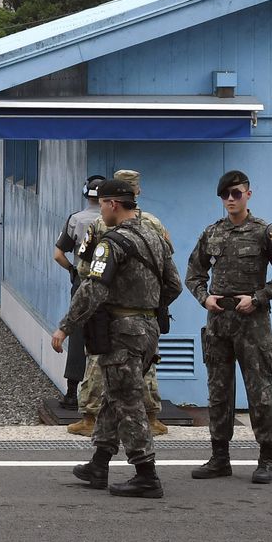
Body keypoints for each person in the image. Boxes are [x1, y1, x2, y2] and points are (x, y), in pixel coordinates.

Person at [51, 178, 182, 498]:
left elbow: (92, 289)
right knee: (114, 393)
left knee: (127, 400)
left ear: (112, 204)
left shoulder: (111, 243)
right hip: (148, 329)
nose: (100, 210)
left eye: (103, 204)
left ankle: (146, 474)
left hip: (123, 330)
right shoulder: (155, 236)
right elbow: (175, 285)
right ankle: (99, 463)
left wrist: (66, 326)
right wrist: (147, 306)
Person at [185, 170, 272, 484]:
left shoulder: (265, 232)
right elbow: (193, 273)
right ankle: (220, 458)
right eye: (225, 195)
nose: (230, 200)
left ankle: (267, 460)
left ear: (249, 193)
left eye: (236, 193)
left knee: (260, 393)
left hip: (252, 323)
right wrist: (204, 298)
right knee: (218, 393)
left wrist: (258, 298)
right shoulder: (212, 233)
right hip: (219, 322)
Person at [65, 169, 170, 438]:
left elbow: (86, 268)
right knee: (145, 366)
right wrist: (154, 301)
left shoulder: (101, 225)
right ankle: (150, 417)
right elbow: (169, 273)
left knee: (100, 363)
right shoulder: (154, 224)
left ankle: (92, 418)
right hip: (148, 312)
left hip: (109, 310)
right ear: (138, 192)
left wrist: (77, 314)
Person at [51, 177, 106, 425]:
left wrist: (73, 271)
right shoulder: (118, 220)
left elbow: (58, 254)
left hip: (82, 283)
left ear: (86, 194)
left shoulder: (77, 219)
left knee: (78, 335)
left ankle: (72, 393)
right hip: (110, 285)